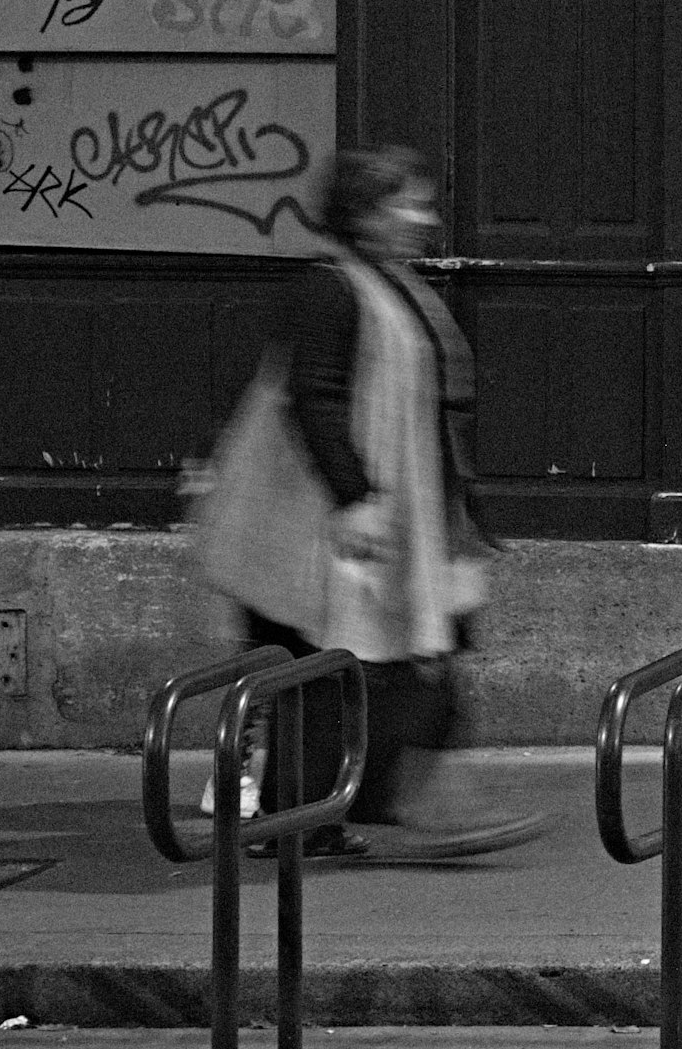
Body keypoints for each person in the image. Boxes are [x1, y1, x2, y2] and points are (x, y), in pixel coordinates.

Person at [194, 145, 535, 860]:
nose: (426, 218)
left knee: (386, 662)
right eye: (410, 203)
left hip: (403, 521)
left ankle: (343, 812)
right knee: (347, 670)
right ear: (365, 213)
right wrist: (358, 499)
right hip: (330, 527)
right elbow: (314, 397)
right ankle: (346, 814)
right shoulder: (332, 291)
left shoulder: (386, 285)